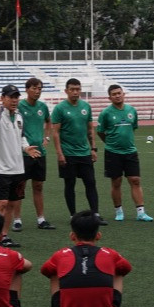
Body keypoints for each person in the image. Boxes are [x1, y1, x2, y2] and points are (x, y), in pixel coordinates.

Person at [41, 210, 131, 307]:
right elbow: (126, 268)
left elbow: (45, 271)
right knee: (119, 271)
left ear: (72, 236)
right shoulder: (110, 253)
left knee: (54, 273)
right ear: (98, 235)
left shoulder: (61, 254)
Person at [0, 84, 41, 248]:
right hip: (2, 169)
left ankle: (4, 236)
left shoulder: (19, 117)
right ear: (3, 98)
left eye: (16, 97)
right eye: (11, 97)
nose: (14, 100)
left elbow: (21, 138)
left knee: (12, 204)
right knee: (2, 204)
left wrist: (26, 147)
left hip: (18, 169)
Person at [97, 84, 153, 222]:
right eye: (114, 94)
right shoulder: (105, 113)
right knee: (116, 182)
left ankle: (141, 212)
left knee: (135, 180)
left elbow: (133, 128)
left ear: (123, 94)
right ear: (109, 97)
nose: (117, 96)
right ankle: (119, 211)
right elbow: (100, 131)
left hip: (130, 151)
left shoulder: (131, 110)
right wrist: (110, 143)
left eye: (119, 93)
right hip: (112, 152)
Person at [51, 79, 102, 224]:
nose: (75, 92)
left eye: (77, 89)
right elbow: (56, 133)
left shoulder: (86, 106)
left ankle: (95, 214)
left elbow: (90, 128)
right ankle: (73, 215)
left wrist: (93, 148)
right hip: (68, 154)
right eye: (72, 89)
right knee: (70, 184)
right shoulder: (60, 108)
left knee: (91, 183)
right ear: (66, 91)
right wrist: (59, 153)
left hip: (85, 153)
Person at [17, 77, 55, 231]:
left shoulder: (42, 107)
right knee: (20, 186)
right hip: (24, 152)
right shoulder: (19, 106)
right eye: (34, 88)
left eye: (39, 88)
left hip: (40, 152)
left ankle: (41, 219)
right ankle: (17, 220)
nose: (37, 91)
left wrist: (46, 137)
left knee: (38, 186)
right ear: (27, 89)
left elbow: (48, 121)